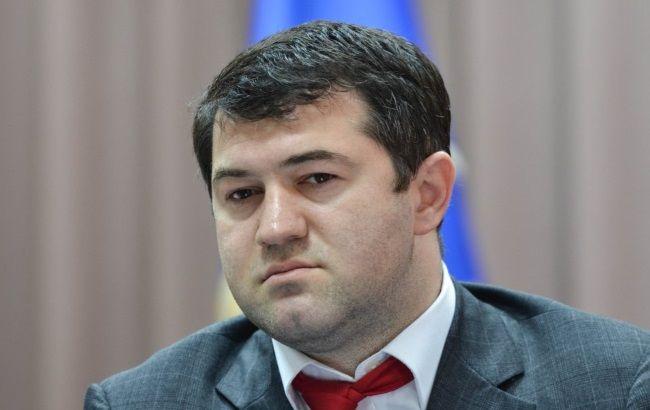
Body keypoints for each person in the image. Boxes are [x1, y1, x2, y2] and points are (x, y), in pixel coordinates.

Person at [85, 21, 649, 409]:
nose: (275, 228)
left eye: (316, 179)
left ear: (427, 194)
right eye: (242, 194)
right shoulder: (140, 402)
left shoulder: (613, 386)